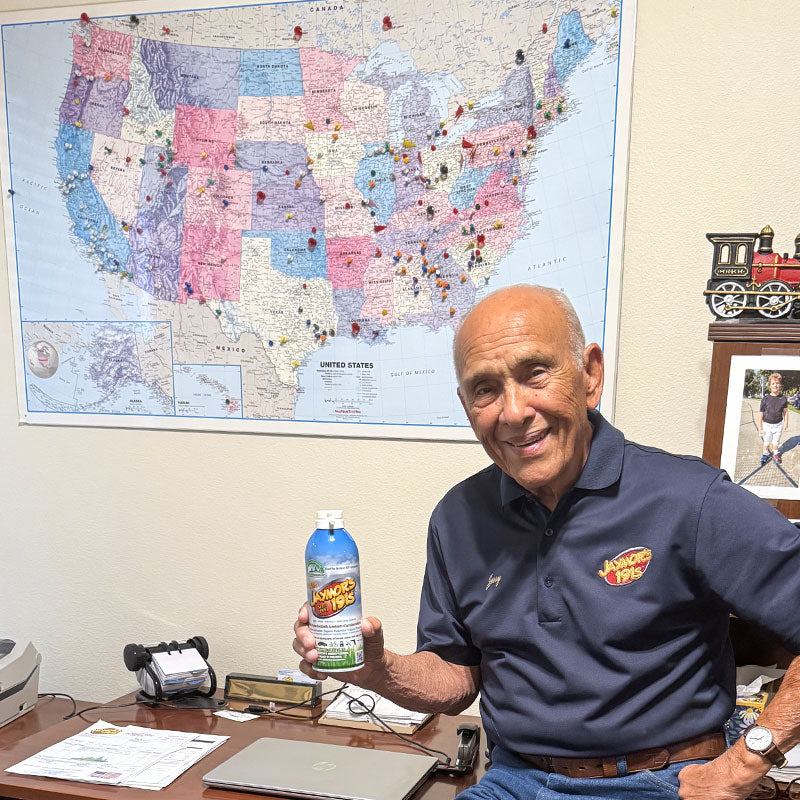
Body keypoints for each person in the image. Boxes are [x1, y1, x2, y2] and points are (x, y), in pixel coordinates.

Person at [293, 285, 800, 799]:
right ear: (467, 406)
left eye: (535, 373)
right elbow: (455, 677)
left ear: (590, 376)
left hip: (667, 781)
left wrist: (743, 764)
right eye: (485, 389)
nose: (513, 412)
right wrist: (376, 667)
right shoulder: (458, 517)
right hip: (515, 781)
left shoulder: (690, 499)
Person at [758, 373, 788, 465]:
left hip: (778, 425)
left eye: (777, 383)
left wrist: (786, 423)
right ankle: (765, 454)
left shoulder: (783, 398)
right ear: (770, 386)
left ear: (780, 385)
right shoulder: (765, 399)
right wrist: (760, 427)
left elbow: (785, 412)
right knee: (766, 441)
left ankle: (776, 454)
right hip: (767, 425)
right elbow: (760, 414)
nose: (775, 385)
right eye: (773, 384)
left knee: (776, 441)